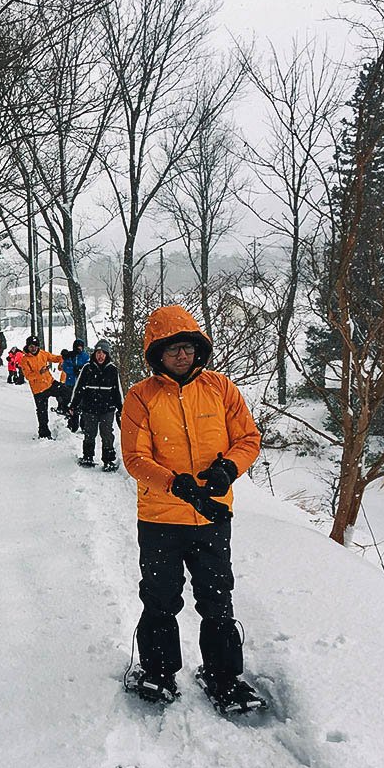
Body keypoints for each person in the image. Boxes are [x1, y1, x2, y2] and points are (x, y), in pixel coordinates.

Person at [119, 304, 266, 713]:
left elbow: (249, 438)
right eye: (171, 350)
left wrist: (229, 468)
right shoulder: (141, 397)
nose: (181, 356)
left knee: (217, 599)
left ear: (197, 348)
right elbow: (134, 457)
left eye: (186, 348)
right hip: (160, 519)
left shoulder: (221, 389)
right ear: (157, 355)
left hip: (212, 517)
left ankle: (223, 677)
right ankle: (158, 671)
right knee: (161, 598)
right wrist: (174, 482)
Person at [68, 339, 122, 471]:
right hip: (89, 408)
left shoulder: (112, 370)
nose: (100, 355)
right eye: (98, 352)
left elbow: (117, 391)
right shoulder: (87, 368)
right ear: (94, 354)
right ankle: (88, 457)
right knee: (90, 433)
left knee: (107, 434)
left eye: (103, 353)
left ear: (107, 355)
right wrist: (73, 405)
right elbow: (78, 388)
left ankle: (108, 460)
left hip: (107, 409)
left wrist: (121, 408)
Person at [18, 335, 70, 439]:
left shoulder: (42, 353)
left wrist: (63, 356)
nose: (33, 348)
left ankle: (63, 408)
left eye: (35, 346)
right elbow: (28, 376)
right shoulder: (24, 360)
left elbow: (54, 358)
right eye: (31, 346)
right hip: (38, 390)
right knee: (42, 412)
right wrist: (40, 373)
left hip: (50, 383)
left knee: (66, 391)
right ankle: (44, 433)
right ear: (27, 347)